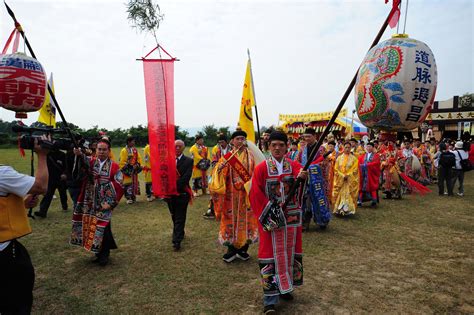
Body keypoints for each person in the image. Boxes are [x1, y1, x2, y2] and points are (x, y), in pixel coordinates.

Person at [249, 131, 308, 314]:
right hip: (271, 220)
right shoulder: (261, 169)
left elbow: (302, 191)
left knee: (289, 253)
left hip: (290, 220)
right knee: (270, 256)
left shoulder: (296, 166)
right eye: (274, 145)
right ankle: (270, 299)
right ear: (269, 147)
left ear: (286, 146)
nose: (277, 148)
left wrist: (304, 179)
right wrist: (271, 212)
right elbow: (255, 193)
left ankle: (286, 288)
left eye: (281, 145)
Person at [0, 138, 49, 314]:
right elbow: (40, 186)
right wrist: (42, 155)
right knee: (16, 300)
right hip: (4, 252)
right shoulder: (2, 174)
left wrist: (19, 204)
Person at [71, 139, 123, 266]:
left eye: (104, 149)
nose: (101, 152)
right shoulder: (91, 161)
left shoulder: (114, 166)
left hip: (104, 202)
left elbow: (119, 184)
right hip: (89, 201)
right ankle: (97, 252)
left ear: (109, 151)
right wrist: (78, 154)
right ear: (96, 150)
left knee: (103, 228)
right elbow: (82, 161)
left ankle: (104, 254)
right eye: (99, 149)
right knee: (93, 226)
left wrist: (110, 203)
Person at [213, 131, 258, 262]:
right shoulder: (227, 157)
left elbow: (256, 173)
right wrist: (220, 170)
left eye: (243, 138)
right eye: (238, 139)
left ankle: (243, 249)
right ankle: (231, 250)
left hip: (246, 195)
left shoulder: (251, 156)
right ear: (232, 141)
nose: (241, 141)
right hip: (230, 196)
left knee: (247, 222)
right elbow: (217, 174)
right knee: (230, 221)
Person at [298, 128, 330, 231]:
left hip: (317, 181)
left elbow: (325, 163)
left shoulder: (321, 149)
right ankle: (305, 222)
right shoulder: (303, 149)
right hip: (305, 180)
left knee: (319, 199)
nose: (306, 139)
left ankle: (322, 221)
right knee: (305, 200)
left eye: (309, 136)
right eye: (305, 137)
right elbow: (298, 162)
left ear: (315, 136)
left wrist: (312, 167)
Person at [165, 140, 193, 251]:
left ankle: (176, 240)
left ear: (183, 148)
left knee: (180, 217)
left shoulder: (189, 161)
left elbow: (186, 178)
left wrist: (174, 187)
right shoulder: (167, 161)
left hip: (182, 193)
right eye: (175, 146)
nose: (177, 148)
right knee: (174, 215)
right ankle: (180, 231)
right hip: (169, 195)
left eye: (179, 146)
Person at [34, 150, 68, 217]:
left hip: (60, 178)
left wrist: (65, 174)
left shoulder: (62, 155)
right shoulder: (46, 154)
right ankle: (42, 211)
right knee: (48, 194)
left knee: (63, 193)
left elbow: (67, 166)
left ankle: (64, 206)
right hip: (50, 178)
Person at [203, 134, 231, 219]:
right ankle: (211, 209)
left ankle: (228, 211)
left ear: (226, 141)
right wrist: (218, 165)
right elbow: (214, 161)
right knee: (214, 190)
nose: (221, 144)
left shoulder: (232, 149)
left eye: (222, 142)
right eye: (219, 142)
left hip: (230, 173)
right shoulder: (218, 151)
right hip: (218, 173)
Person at [333, 142, 359, 216]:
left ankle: (349, 210)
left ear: (350, 148)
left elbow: (355, 169)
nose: (347, 149)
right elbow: (336, 169)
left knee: (348, 194)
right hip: (341, 180)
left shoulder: (354, 159)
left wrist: (348, 175)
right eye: (346, 147)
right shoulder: (339, 158)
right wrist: (342, 175)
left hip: (349, 180)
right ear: (343, 148)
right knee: (340, 194)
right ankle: (338, 209)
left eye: (348, 148)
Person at [119, 136, 143, 204]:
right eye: (133, 141)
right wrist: (129, 165)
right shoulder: (124, 150)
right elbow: (122, 160)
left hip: (134, 170)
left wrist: (137, 164)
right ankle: (128, 198)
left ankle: (133, 196)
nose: (134, 142)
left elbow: (139, 158)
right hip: (128, 170)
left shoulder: (135, 150)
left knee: (134, 183)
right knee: (127, 183)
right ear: (129, 142)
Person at [357, 142, 380, 207]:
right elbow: (359, 162)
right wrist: (361, 166)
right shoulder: (363, 155)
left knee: (372, 187)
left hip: (371, 174)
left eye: (370, 146)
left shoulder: (376, 155)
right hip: (363, 174)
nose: (368, 148)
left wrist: (367, 165)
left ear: (373, 147)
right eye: (367, 146)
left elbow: (376, 163)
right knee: (361, 187)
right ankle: (360, 201)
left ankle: (374, 201)